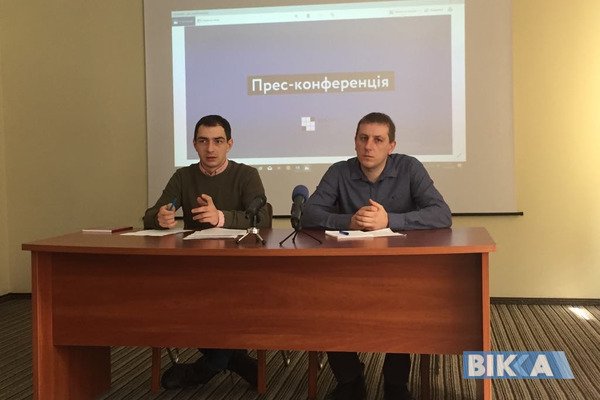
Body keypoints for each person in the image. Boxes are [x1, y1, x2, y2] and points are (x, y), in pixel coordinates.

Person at [301, 112, 452, 400]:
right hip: (347, 270)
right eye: (363, 138)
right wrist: (349, 221)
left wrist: (389, 220)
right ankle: (350, 380)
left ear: (391, 146)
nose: (369, 146)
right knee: (323, 301)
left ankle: (395, 383)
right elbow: (309, 213)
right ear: (355, 142)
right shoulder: (339, 172)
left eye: (378, 140)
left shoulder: (409, 168)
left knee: (405, 306)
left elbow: (442, 214)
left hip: (399, 269)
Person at [143, 114, 270, 390]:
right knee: (181, 301)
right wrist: (160, 217)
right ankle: (233, 359)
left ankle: (209, 365)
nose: (210, 149)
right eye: (203, 141)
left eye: (218, 141)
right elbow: (152, 214)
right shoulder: (183, 176)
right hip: (195, 268)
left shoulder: (246, 175)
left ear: (229, 144)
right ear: (194, 144)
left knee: (221, 301)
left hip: (239, 270)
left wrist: (220, 217)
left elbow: (263, 218)